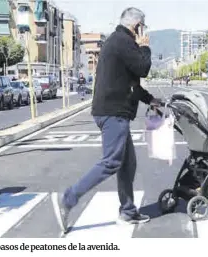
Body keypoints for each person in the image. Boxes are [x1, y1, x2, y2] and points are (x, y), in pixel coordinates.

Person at [52, 7, 161, 233]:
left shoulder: (118, 41)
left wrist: (151, 100)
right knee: (112, 162)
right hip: (113, 112)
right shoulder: (123, 41)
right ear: (137, 25)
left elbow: (131, 84)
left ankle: (128, 212)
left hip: (112, 110)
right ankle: (69, 198)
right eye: (143, 26)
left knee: (127, 163)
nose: (144, 31)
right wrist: (146, 46)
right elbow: (143, 69)